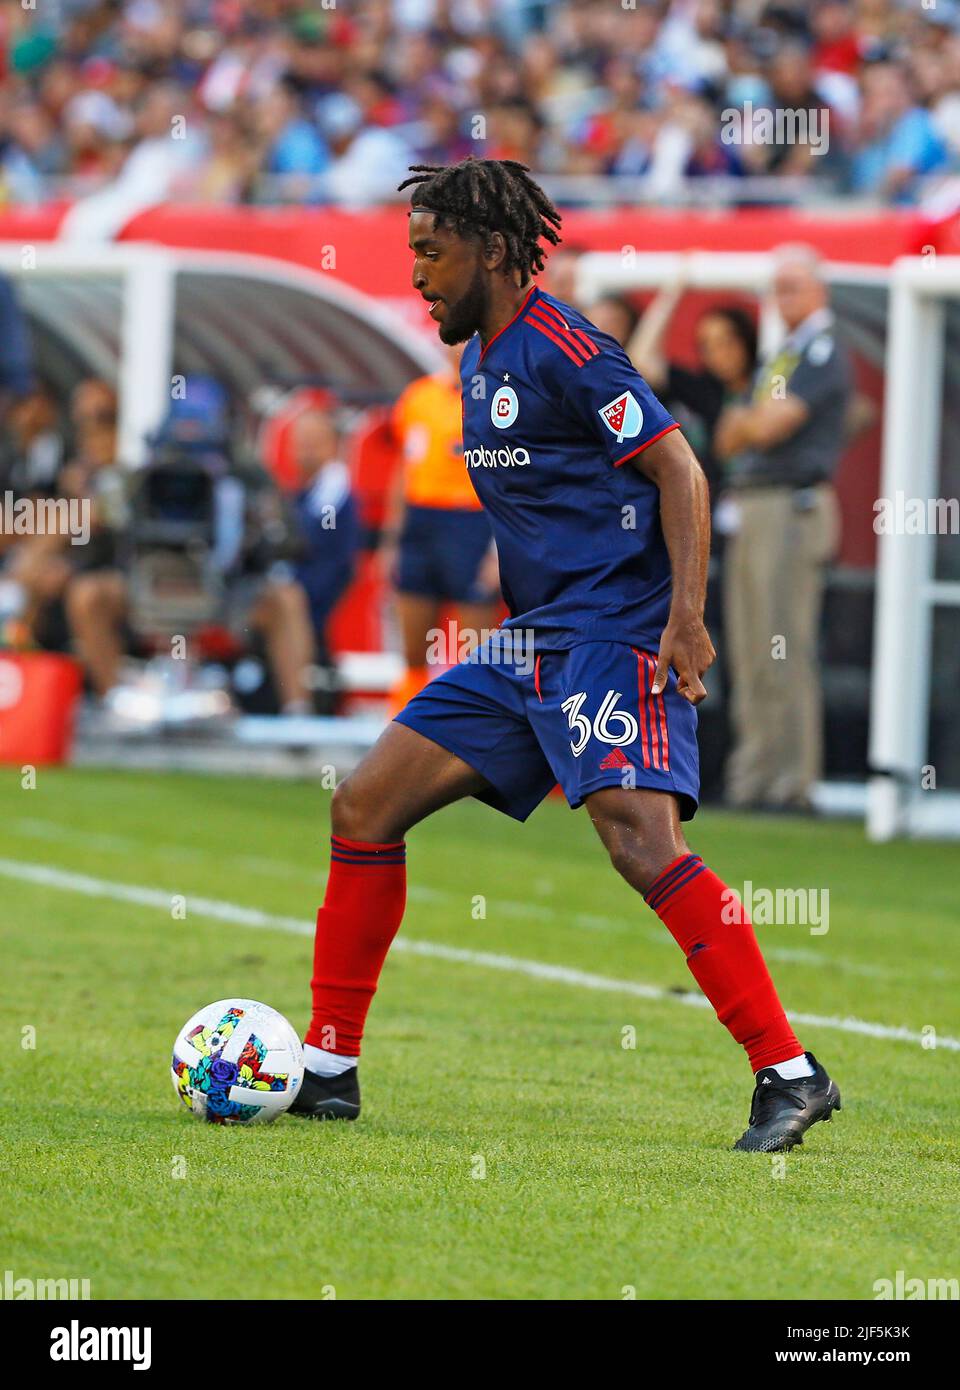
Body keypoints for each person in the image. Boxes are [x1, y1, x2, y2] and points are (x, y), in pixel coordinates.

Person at [290, 158, 841, 1155]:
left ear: (495, 251)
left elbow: (681, 468)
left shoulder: (570, 349)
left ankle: (790, 1074)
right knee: (364, 803)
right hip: (530, 642)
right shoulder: (476, 357)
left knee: (640, 845)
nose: (418, 273)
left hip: (613, 633)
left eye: (432, 252)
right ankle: (328, 1070)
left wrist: (684, 619)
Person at [714, 245, 854, 812]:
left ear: (819, 291)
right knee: (750, 647)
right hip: (753, 504)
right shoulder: (783, 356)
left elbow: (768, 427)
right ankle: (755, 776)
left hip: (789, 507)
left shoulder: (823, 353)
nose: (784, 297)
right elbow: (727, 438)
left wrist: (748, 424)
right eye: (778, 287)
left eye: (794, 286)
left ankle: (791, 782)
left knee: (784, 645)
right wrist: (749, 424)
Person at [383, 341, 499, 713]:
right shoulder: (419, 396)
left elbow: (512, 479)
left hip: (474, 521)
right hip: (421, 520)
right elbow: (404, 469)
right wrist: (390, 539)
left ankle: (478, 725)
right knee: (413, 646)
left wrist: (499, 548)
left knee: (477, 647)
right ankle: (404, 724)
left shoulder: (499, 398)